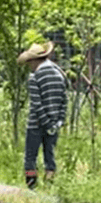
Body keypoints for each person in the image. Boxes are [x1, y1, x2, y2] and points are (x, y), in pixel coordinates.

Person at [21, 41, 67, 188]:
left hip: (36, 123)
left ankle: (31, 188)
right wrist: (59, 121)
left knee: (30, 157)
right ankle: (49, 187)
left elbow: (36, 103)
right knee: (50, 157)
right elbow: (64, 100)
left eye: (29, 62)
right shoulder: (60, 74)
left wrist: (45, 122)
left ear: (35, 60)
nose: (29, 65)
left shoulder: (34, 76)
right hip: (54, 124)